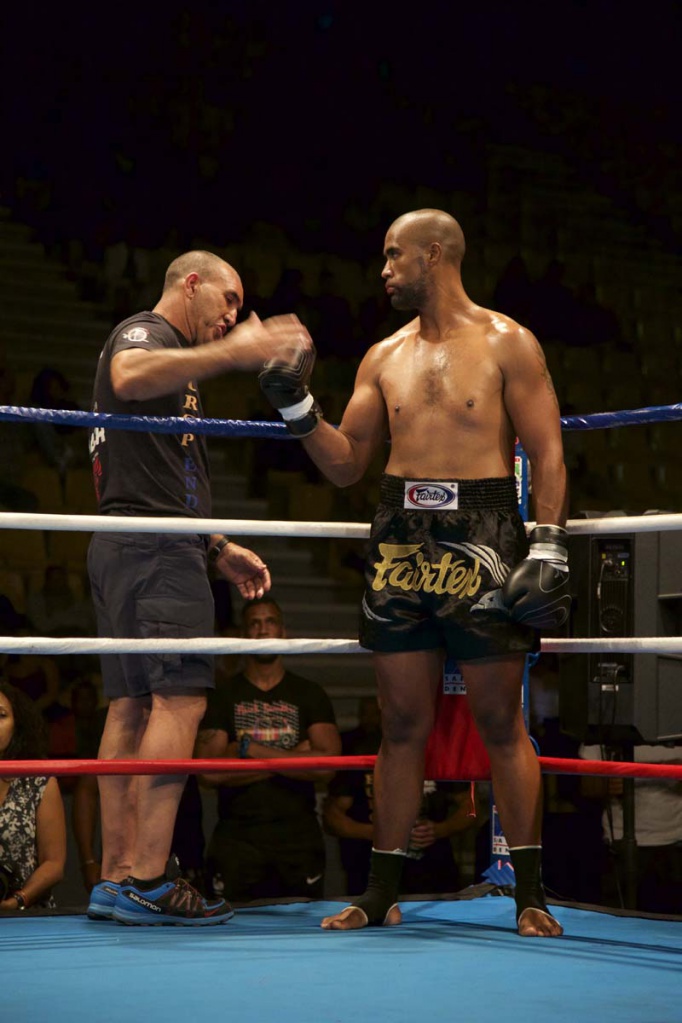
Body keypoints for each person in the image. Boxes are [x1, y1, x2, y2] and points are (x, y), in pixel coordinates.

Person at [259, 209, 570, 936]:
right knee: (400, 723)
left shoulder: (507, 341)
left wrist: (549, 545)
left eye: (394, 254)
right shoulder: (382, 356)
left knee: (500, 721)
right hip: (400, 535)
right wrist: (296, 407)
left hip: (483, 531)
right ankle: (379, 892)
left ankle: (530, 894)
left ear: (434, 254)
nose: (384, 269)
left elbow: (548, 450)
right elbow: (346, 464)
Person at [85, 249, 312, 926]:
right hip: (153, 549)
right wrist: (233, 353)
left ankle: (116, 877)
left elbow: (161, 473)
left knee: (130, 706)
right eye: (229, 299)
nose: (234, 316)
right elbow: (127, 375)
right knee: (178, 698)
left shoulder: (174, 360)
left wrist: (215, 545)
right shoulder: (146, 335)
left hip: (135, 542)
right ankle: (149, 880)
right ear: (191, 285)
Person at [196, 596, 342, 902]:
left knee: (304, 926)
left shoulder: (309, 693)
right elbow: (209, 773)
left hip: (299, 839)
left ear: (283, 632)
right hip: (238, 838)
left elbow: (328, 766)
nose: (263, 630)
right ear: (243, 635)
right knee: (229, 925)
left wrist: (250, 750)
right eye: (255, 623)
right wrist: (297, 757)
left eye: (270, 622)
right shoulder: (223, 696)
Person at [324, 697, 475, 896]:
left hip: (432, 867)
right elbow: (333, 816)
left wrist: (440, 829)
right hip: (370, 865)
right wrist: (376, 833)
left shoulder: (438, 749)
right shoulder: (361, 751)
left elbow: (470, 806)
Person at [580, 742, 682, 914]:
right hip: (620, 844)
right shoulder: (606, 730)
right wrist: (607, 783)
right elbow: (587, 786)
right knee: (618, 921)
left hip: (676, 842)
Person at [0, 681, 67, 912]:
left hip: (28, 913)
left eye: (1, 715)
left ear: (17, 725)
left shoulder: (38, 781)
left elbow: (54, 864)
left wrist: (17, 901)